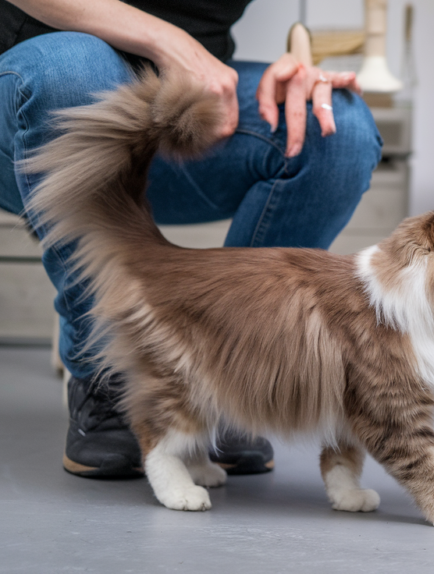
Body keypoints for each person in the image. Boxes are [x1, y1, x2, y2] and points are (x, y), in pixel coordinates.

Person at [0, 0, 382, 478]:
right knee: (74, 69)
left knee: (337, 127)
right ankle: (106, 376)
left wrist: (303, 64)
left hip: (186, 113)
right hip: (34, 118)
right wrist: (167, 40)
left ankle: (231, 375)